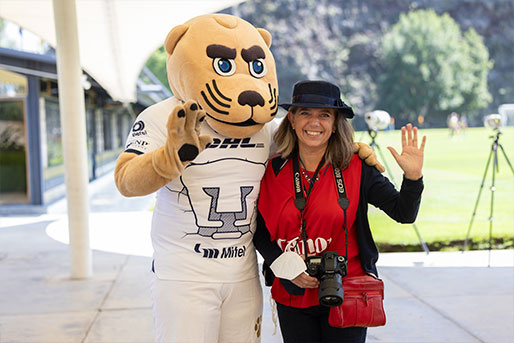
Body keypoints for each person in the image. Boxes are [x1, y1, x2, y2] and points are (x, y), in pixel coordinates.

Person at [254, 80, 426, 343]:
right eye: (305, 113)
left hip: (348, 291)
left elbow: (404, 213)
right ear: (291, 118)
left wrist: (413, 178)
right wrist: (282, 264)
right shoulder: (271, 170)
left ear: (335, 123)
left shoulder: (358, 167)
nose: (314, 123)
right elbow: (257, 230)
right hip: (292, 292)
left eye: (324, 115)